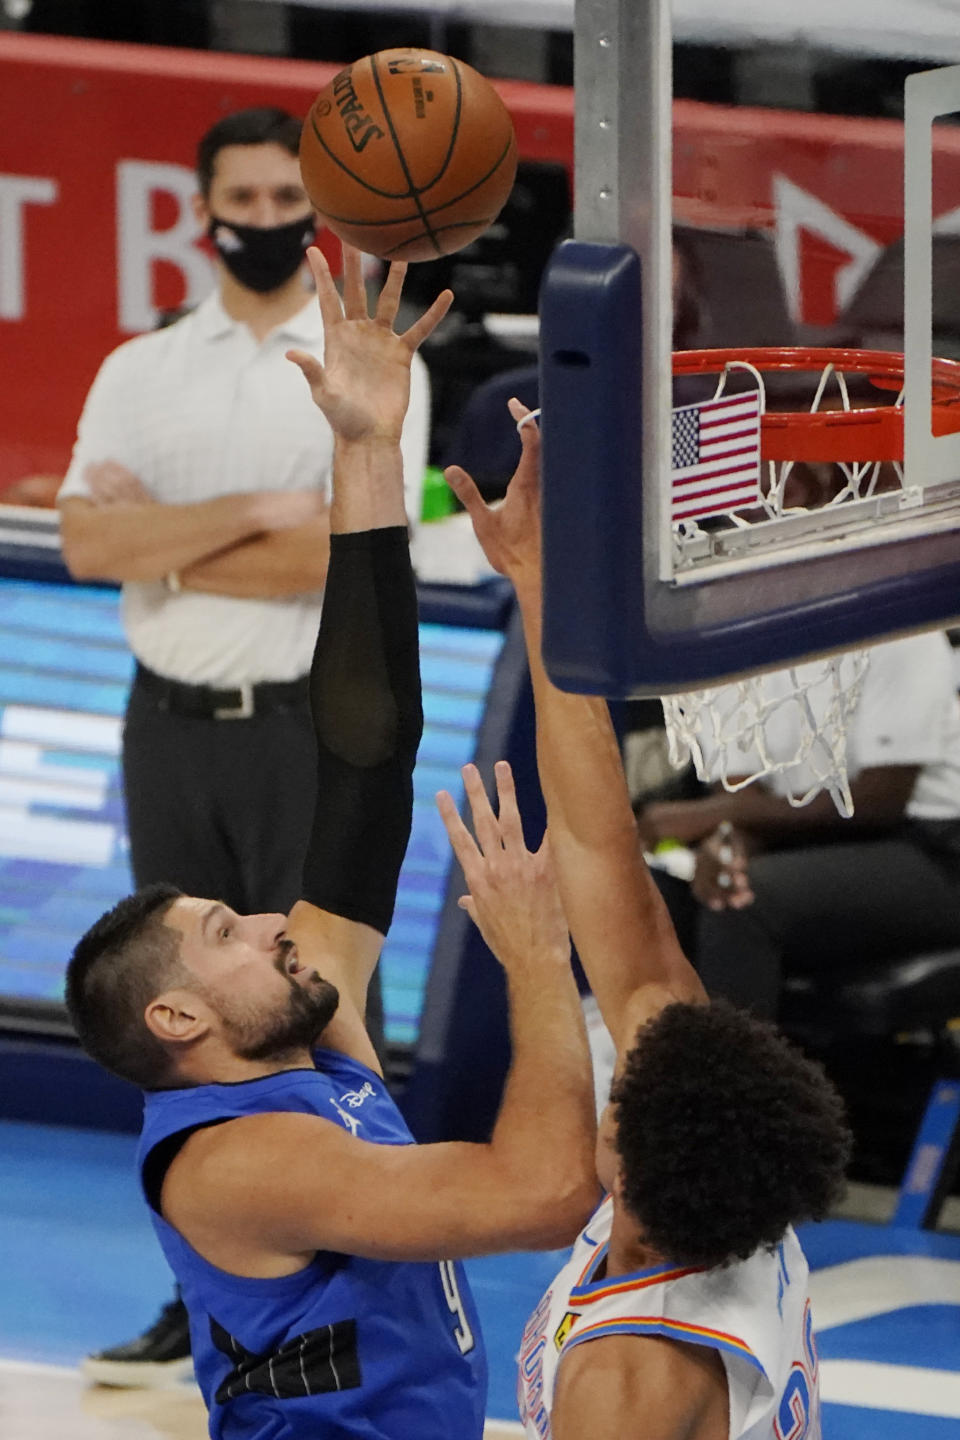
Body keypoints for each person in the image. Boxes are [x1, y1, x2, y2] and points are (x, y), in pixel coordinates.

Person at [64, 243, 597, 1439]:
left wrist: (364, 446)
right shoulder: (242, 1161)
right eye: (224, 932)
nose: (267, 921)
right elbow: (544, 1194)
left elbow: (361, 759)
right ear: (177, 1019)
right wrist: (532, 961)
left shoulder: (307, 1049)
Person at [57, 106, 429, 1382]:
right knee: (172, 1014)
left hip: (297, 726)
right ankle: (202, 1284)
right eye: (246, 199)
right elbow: (88, 548)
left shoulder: (364, 355)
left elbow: (344, 559)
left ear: (309, 210)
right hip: (165, 721)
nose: (265, 220)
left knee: (311, 995)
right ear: (203, 206)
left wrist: (177, 533)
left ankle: (351, 1230)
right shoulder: (139, 366)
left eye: (288, 200)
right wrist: (262, 510)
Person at [445, 405, 851, 1439]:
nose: (618, 1071)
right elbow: (596, 842)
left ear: (626, 1160)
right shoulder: (718, 1216)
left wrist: (537, 967)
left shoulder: (633, 1382)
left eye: (622, 1093)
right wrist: (542, 587)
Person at [632, 634, 960, 1020]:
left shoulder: (899, 631)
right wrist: (728, 846)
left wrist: (714, 814)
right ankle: (656, 1064)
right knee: (667, 893)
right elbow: (741, 796)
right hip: (805, 836)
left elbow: (880, 800)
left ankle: (736, 1078)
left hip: (934, 846)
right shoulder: (730, 642)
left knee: (745, 903)